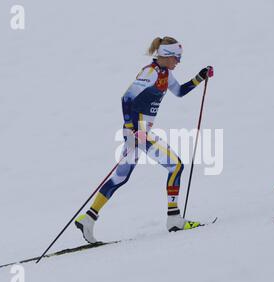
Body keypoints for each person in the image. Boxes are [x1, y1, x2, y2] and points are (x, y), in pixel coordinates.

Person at [75, 36, 214, 243]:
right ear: (166, 56)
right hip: (139, 132)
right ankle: (174, 219)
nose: (179, 61)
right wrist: (132, 129)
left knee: (121, 177)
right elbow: (127, 98)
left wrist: (200, 77)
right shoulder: (150, 73)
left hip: (139, 132)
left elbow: (180, 92)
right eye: (176, 57)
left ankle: (88, 218)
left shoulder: (166, 74)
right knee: (175, 166)